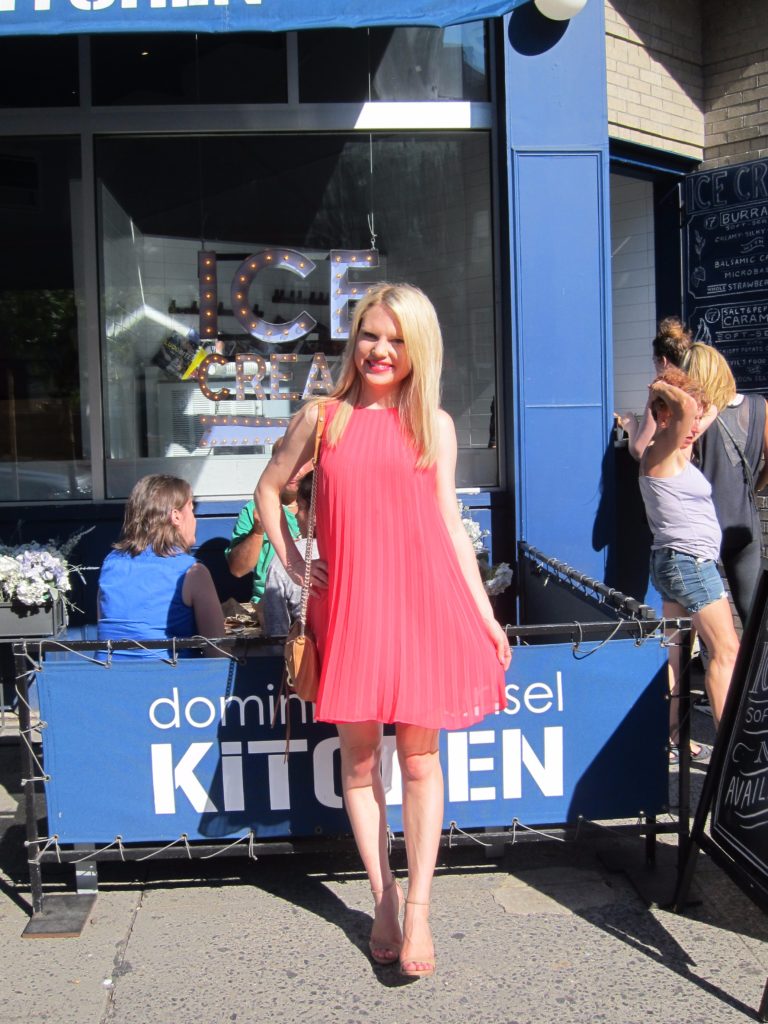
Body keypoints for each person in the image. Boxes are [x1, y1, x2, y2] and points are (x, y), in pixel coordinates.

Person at [255, 283, 511, 979]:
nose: (380, 350)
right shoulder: (323, 418)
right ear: (353, 339)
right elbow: (268, 488)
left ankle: (422, 907)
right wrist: (293, 559)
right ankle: (384, 899)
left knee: (422, 762)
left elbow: (452, 529)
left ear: (417, 349)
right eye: (370, 334)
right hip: (352, 609)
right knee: (362, 764)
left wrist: (486, 615)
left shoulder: (435, 423)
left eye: (396, 339)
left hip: (425, 605)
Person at [637, 368, 739, 756]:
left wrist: (702, 388)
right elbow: (688, 406)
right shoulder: (663, 445)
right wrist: (661, 385)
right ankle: (734, 750)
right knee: (727, 651)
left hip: (672, 563)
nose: (695, 424)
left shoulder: (672, 447)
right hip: (690, 565)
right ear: (663, 414)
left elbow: (706, 407)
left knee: (677, 656)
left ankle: (675, 736)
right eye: (687, 418)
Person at [681, 342, 768, 627]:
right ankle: (759, 671)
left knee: (707, 625)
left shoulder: (694, 420)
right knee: (755, 615)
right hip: (744, 522)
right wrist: (754, 486)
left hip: (701, 529)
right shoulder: (759, 407)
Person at [97, 474, 225, 658]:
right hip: (170, 682)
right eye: (191, 509)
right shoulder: (193, 572)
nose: (195, 520)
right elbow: (217, 652)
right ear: (176, 516)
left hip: (106, 680)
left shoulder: (110, 563)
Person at [225, 437, 309, 615]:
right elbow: (238, 570)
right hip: (270, 603)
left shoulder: (325, 504)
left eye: (299, 461)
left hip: (315, 599)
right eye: (284, 462)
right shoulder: (254, 509)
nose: (292, 470)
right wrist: (257, 531)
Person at [618, 316, 693, 461]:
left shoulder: (660, 391)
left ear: (663, 361)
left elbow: (639, 449)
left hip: (666, 474)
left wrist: (631, 425)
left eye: (654, 361)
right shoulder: (692, 387)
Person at [261, 472, 317, 636]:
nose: (296, 515)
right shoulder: (363, 554)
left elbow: (277, 635)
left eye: (300, 507)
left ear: (314, 513)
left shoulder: (283, 562)